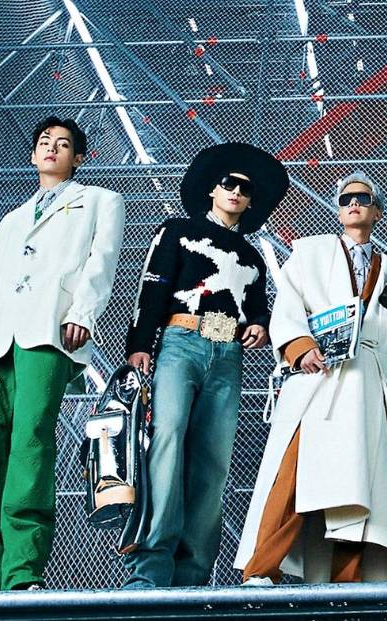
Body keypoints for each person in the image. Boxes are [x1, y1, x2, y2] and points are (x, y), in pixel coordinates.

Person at [0, 116, 126, 591]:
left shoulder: (101, 201)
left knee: (31, 438)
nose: (52, 148)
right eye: (45, 142)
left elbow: (101, 263)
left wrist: (83, 313)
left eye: (63, 144)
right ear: (32, 155)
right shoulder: (10, 220)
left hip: (48, 330)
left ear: (78, 158)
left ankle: (22, 569)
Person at [234, 171, 387, 584]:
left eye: (363, 198)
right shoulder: (310, 253)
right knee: (291, 474)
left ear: (377, 211)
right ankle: (261, 570)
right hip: (318, 377)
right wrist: (301, 347)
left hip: (367, 385)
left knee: (359, 489)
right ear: (339, 211)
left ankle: (347, 585)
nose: (353, 203)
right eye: (345, 199)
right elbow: (288, 306)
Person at [120, 143, 286, 588]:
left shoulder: (253, 258)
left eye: (245, 189)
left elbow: (258, 309)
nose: (236, 191)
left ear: (251, 202)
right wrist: (139, 345)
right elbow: (152, 288)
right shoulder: (177, 231)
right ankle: (150, 568)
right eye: (229, 183)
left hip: (228, 353)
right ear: (212, 189)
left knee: (213, 461)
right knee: (167, 442)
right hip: (180, 341)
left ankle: (192, 576)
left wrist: (260, 325)